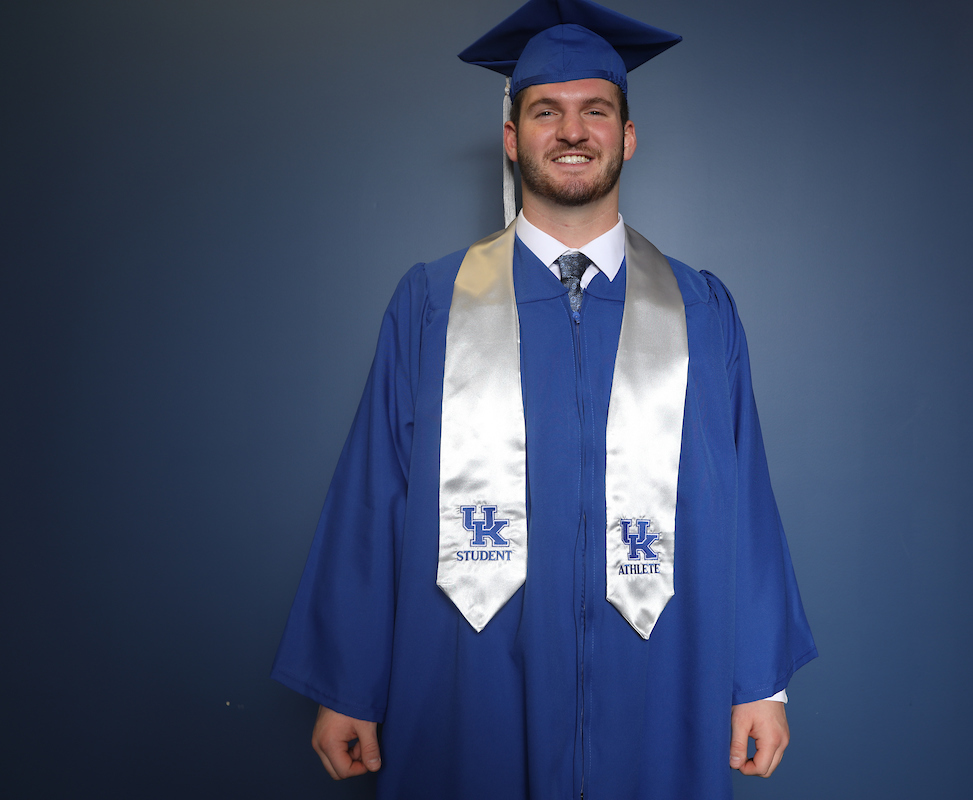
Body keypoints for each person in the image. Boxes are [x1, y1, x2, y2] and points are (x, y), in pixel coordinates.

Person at [271, 1, 816, 797]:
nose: (572, 131)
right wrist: (346, 686)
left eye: (596, 110)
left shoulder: (699, 308)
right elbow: (374, 490)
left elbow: (746, 501)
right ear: (512, 136)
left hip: (659, 674)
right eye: (545, 111)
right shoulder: (433, 303)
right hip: (471, 673)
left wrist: (762, 684)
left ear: (627, 136)